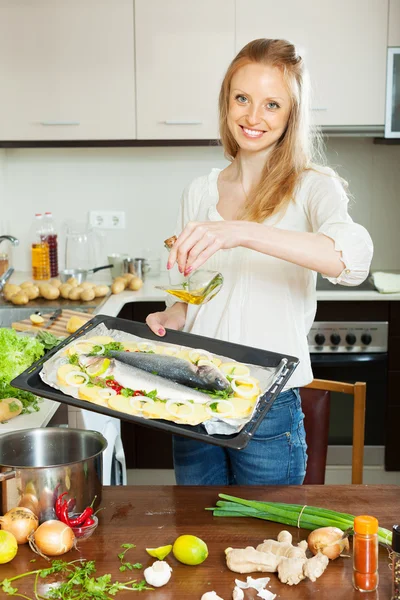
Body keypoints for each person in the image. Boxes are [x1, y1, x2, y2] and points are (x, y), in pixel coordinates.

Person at [146, 38, 373, 486]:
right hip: (193, 392)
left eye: (272, 104)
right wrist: (174, 314)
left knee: (267, 541)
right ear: (226, 101)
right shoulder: (200, 191)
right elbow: (197, 294)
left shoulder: (313, 187)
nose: (253, 117)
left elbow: (352, 261)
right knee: (199, 539)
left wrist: (241, 232)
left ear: (291, 115)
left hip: (268, 402)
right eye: (242, 98)